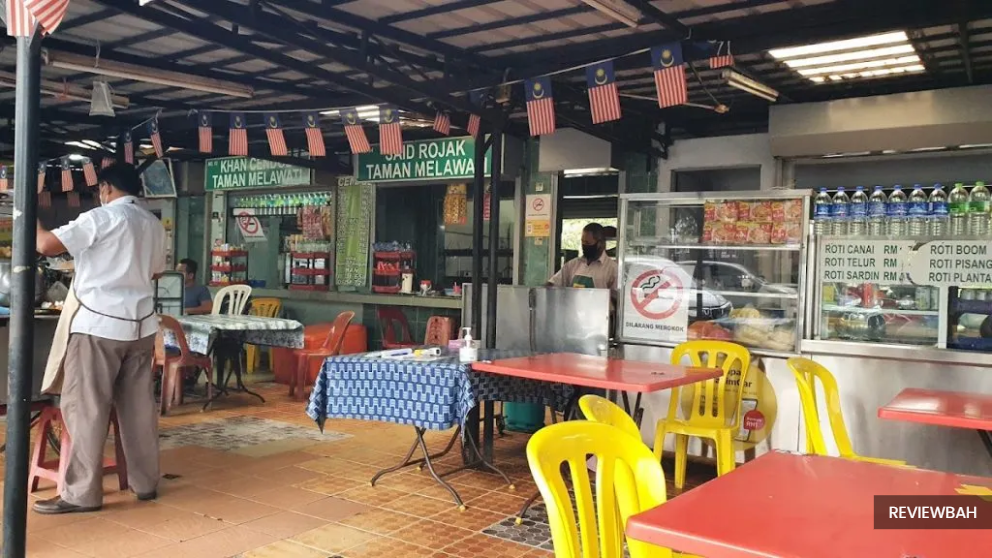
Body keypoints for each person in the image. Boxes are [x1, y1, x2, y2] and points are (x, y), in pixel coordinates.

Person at [33, 163, 166, 514]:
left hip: (98, 327)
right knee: (138, 410)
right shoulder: (152, 223)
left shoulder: (100, 218)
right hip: (140, 328)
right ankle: (146, 483)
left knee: (86, 410)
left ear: (105, 187)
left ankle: (81, 494)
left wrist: (25, 218)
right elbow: (156, 270)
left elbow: (45, 245)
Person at [547, 222, 617, 291]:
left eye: (587, 243)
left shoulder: (612, 268)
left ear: (600, 243)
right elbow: (553, 283)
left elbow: (616, 298)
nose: (584, 245)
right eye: (582, 242)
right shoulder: (572, 265)